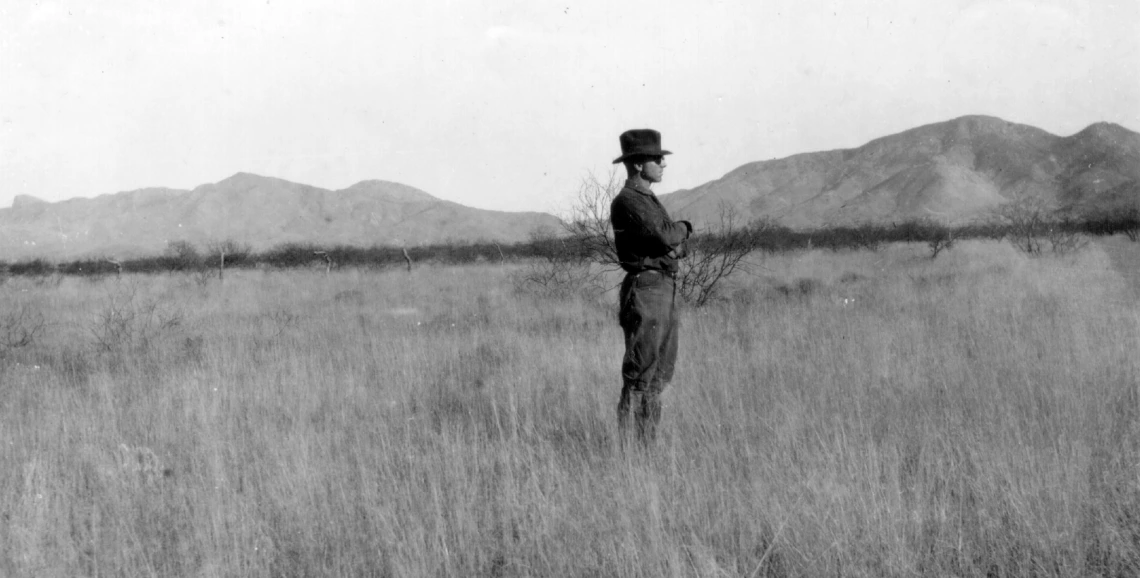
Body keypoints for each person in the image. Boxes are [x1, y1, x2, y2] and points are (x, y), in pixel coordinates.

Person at [609, 128, 692, 444]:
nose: (663, 164)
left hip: (663, 289)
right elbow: (666, 237)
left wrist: (673, 239)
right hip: (647, 290)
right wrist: (682, 228)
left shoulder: (646, 200)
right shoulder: (629, 200)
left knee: (660, 375)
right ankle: (631, 456)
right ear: (640, 164)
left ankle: (646, 451)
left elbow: (674, 245)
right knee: (640, 377)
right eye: (657, 159)